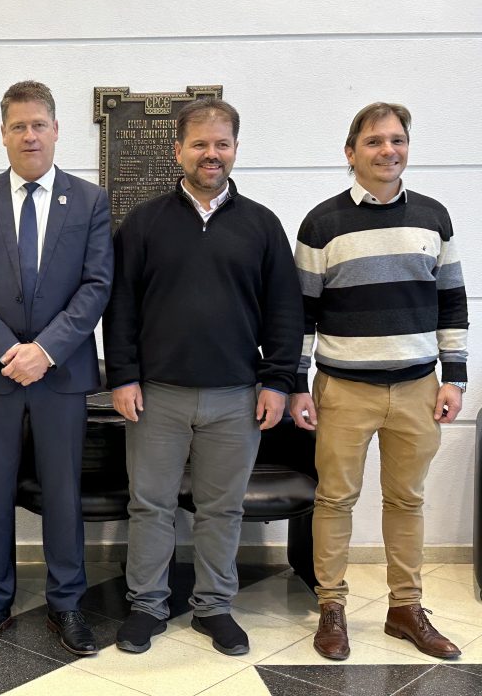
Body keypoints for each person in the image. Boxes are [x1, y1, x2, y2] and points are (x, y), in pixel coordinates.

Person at [102, 98, 303, 657]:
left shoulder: (262, 225)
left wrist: (278, 381)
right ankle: (147, 605)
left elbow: (285, 310)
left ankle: (213, 607)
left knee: (222, 509)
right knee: (150, 506)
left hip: (236, 398)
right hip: (157, 397)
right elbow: (120, 308)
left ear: (235, 149)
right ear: (179, 151)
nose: (210, 154)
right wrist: (123, 375)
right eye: (200, 144)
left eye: (221, 144)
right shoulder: (144, 222)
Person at [289, 102, 467, 661]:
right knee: (335, 500)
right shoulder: (322, 223)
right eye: (374, 141)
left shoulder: (434, 218)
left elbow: (452, 302)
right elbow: (302, 314)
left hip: (418, 387)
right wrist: (298, 384)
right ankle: (332, 608)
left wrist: (454, 377)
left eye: (398, 140)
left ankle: (405, 609)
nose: (388, 150)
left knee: (406, 500)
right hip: (343, 390)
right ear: (351, 153)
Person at [0, 80, 112, 655]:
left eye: (39, 124)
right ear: (3, 134)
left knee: (63, 490)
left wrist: (46, 350)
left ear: (56, 130)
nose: (30, 135)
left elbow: (96, 286)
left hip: (60, 373)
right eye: (18, 126)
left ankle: (67, 604)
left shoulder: (89, 201)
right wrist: (7, 350)